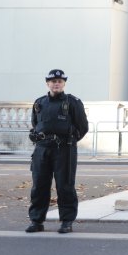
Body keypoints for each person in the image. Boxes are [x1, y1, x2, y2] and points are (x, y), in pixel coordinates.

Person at [26, 69, 89, 234]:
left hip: (64, 150)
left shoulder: (73, 102)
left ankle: (67, 221)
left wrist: (69, 141)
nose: (56, 84)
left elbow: (83, 127)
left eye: (60, 81)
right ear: (47, 83)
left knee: (65, 186)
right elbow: (35, 124)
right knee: (39, 185)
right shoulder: (39, 103)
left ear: (64, 83)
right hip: (42, 149)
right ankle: (36, 221)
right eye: (53, 81)